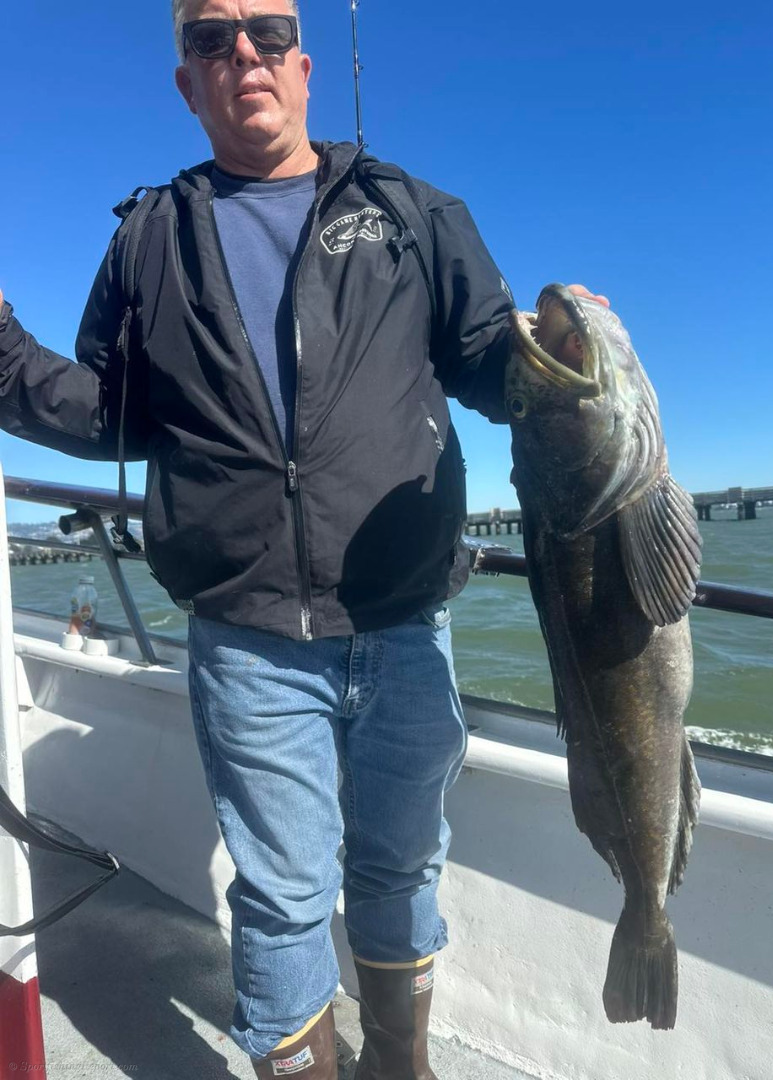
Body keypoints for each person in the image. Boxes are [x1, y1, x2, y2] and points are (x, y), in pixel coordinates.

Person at [0, 3, 608, 1076]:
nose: (245, 55)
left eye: (269, 32)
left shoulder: (410, 209)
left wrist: (559, 356)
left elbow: (484, 362)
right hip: (247, 631)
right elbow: (114, 412)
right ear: (186, 83)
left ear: (307, 66)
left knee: (403, 868)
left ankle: (402, 1065)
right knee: (282, 894)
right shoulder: (149, 235)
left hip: (406, 616)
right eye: (211, 39)